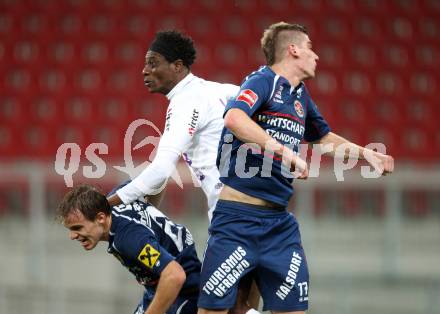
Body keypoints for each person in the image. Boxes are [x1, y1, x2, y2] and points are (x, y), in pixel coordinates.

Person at [197, 22, 395, 314]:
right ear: (293, 50)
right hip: (237, 221)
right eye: (310, 48)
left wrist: (367, 154)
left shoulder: (300, 96)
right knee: (213, 311)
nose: (316, 56)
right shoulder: (262, 80)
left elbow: (323, 139)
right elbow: (235, 119)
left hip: (278, 224)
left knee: (293, 310)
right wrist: (282, 151)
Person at [106, 30, 261, 314]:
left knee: (215, 309)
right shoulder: (221, 90)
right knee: (244, 306)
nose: (144, 70)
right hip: (262, 212)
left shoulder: (185, 102)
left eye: (153, 62)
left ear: (178, 66)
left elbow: (161, 169)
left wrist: (107, 203)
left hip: (230, 217)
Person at [57, 182, 201, 314]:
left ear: (100, 218)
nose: (72, 236)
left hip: (183, 292)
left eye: (77, 228)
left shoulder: (128, 238)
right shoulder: (120, 196)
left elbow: (174, 275)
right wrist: (149, 213)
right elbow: (158, 179)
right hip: (158, 286)